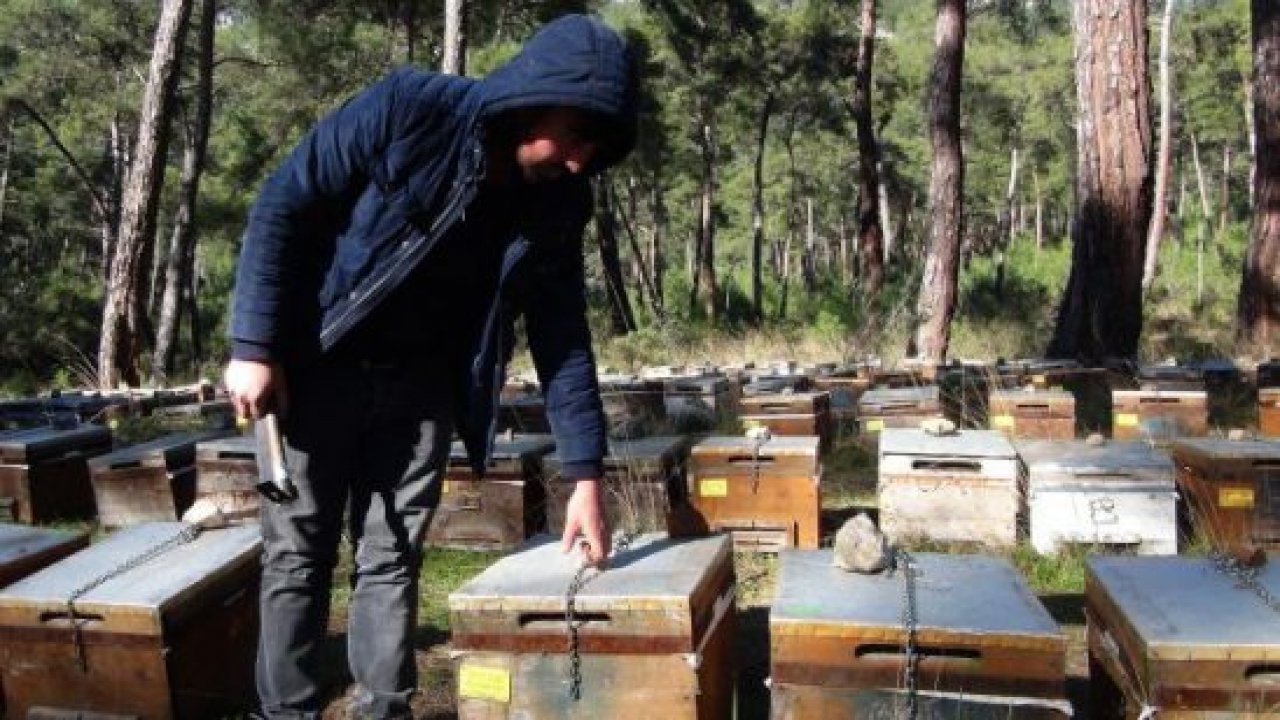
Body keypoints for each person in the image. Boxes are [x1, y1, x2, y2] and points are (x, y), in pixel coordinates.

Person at [222, 14, 636, 719]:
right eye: (574, 135)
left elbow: (563, 337)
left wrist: (586, 475)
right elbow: (284, 200)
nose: (577, 160)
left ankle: (383, 708)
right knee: (298, 555)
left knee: (391, 556)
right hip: (320, 364)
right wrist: (254, 346)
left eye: (592, 149)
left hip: (422, 392)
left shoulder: (561, 202)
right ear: (537, 94)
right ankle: (284, 711)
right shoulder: (410, 109)